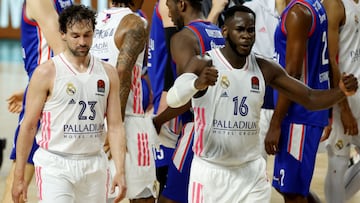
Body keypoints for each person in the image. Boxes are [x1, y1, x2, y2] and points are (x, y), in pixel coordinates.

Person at [166, 5, 358, 202]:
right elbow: (173, 98)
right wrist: (196, 84)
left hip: (251, 174)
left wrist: (341, 92)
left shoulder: (265, 68)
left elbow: (309, 97)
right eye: (240, 30)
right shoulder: (203, 63)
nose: (246, 36)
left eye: (251, 30)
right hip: (210, 173)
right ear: (224, 31)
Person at [11, 4, 127, 203]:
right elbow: (28, 127)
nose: (82, 41)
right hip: (56, 164)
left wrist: (121, 170)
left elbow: (115, 126)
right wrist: (18, 177)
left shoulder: (108, 73)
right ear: (62, 34)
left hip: (94, 163)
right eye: (75, 35)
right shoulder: (46, 73)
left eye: (87, 35)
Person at [152, 0, 225, 202]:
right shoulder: (217, 31)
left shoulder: (183, 38)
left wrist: (158, 120)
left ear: (182, 4)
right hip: (223, 126)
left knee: (169, 198)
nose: (168, 10)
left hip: (198, 129)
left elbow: (189, 93)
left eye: (169, 4)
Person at [2, 0, 73, 202]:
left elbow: (64, 53)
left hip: (49, 96)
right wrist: (30, 91)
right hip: (51, 93)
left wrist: (34, 91)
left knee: (19, 181)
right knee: (21, 180)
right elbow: (65, 52)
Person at [264, 0, 332, 202]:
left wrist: (275, 122)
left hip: (298, 113)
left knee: (293, 193)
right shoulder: (315, 6)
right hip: (306, 111)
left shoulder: (297, 13)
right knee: (291, 189)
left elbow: (291, 74)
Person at [91, 0, 158, 202]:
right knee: (142, 196)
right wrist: (115, 129)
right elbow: (121, 72)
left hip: (94, 118)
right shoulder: (136, 23)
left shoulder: (95, 21)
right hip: (126, 120)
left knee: (101, 193)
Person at [322, 0, 360, 202]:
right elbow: (328, 58)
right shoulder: (334, 3)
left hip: (359, 93)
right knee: (338, 162)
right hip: (342, 96)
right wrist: (343, 107)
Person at [243, 0, 285, 160]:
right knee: (255, 163)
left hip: (289, 98)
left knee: (288, 173)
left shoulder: (300, 9)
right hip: (258, 100)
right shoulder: (251, 9)